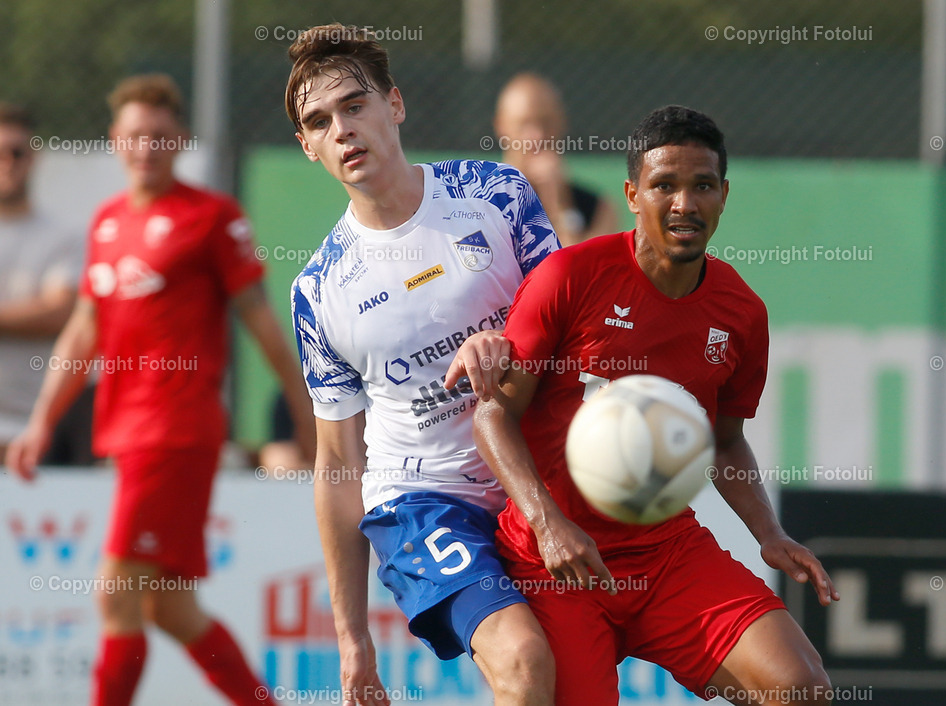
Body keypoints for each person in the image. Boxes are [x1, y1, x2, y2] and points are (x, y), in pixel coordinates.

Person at [473, 106, 839, 706]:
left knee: (801, 689)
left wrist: (768, 533)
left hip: (666, 553)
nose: (684, 204)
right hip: (558, 562)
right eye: (663, 185)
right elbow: (492, 414)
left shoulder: (740, 312)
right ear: (632, 194)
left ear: (724, 195)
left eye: (702, 186)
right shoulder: (570, 277)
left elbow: (723, 440)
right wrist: (547, 522)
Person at [5, 74, 316, 705]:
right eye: (134, 135)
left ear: (179, 141)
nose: (146, 147)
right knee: (169, 608)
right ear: (115, 142)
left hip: (174, 431)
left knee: (114, 592)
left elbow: (261, 321)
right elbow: (82, 332)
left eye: (159, 135)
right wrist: (41, 421)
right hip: (127, 433)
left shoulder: (212, 218)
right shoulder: (108, 222)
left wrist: (307, 411)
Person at [285, 24, 559, 706]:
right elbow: (339, 466)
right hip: (424, 502)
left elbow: (574, 322)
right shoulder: (319, 291)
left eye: (355, 105)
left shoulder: (494, 193)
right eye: (320, 121)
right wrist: (352, 640)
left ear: (395, 105)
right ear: (307, 146)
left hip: (540, 473)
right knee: (523, 661)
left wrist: (510, 348)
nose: (343, 130)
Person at [0, 103, 94, 465]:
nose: (7, 162)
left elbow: (60, 312)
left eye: (16, 152)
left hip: (38, 434)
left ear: (33, 156)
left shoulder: (65, 236)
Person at [494, 73, 619, 246]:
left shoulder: (598, 209)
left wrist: (561, 208)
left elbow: (580, 271)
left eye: (546, 123)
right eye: (523, 124)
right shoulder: (479, 202)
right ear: (501, 126)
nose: (537, 136)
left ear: (562, 123)